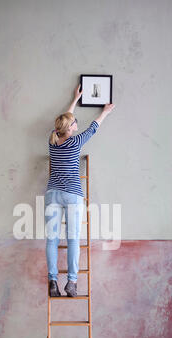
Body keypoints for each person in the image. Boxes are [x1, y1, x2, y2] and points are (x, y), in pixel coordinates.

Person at [45, 84, 115, 297]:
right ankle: (72, 283)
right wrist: (105, 112)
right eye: (75, 123)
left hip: (52, 194)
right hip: (72, 195)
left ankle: (53, 281)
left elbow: (65, 120)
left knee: (52, 240)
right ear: (71, 128)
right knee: (73, 238)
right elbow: (94, 127)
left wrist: (75, 99)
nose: (77, 123)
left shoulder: (53, 140)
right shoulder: (76, 142)